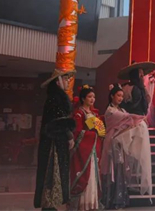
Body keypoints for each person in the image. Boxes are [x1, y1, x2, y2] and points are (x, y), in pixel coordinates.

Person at [100, 83, 152, 209]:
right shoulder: (110, 111)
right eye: (118, 95)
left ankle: (120, 199)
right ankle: (111, 199)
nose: (120, 98)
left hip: (121, 143)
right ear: (112, 96)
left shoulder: (121, 110)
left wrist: (137, 122)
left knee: (121, 170)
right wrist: (141, 118)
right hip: (112, 143)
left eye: (122, 96)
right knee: (113, 170)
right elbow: (127, 117)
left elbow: (128, 121)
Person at [34, 70, 76, 210]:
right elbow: (57, 122)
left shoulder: (57, 98)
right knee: (51, 172)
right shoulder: (54, 99)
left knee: (55, 172)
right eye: (65, 79)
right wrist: (69, 135)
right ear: (58, 82)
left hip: (57, 141)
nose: (68, 81)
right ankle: (48, 203)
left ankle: (51, 203)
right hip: (53, 143)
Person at [70, 85, 104, 211]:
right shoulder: (79, 113)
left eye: (93, 97)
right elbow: (77, 132)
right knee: (84, 174)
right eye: (89, 97)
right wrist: (93, 134)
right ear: (83, 98)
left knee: (93, 174)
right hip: (84, 150)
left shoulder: (95, 113)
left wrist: (98, 133)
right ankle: (81, 204)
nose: (92, 99)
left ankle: (92, 203)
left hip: (94, 149)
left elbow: (101, 131)